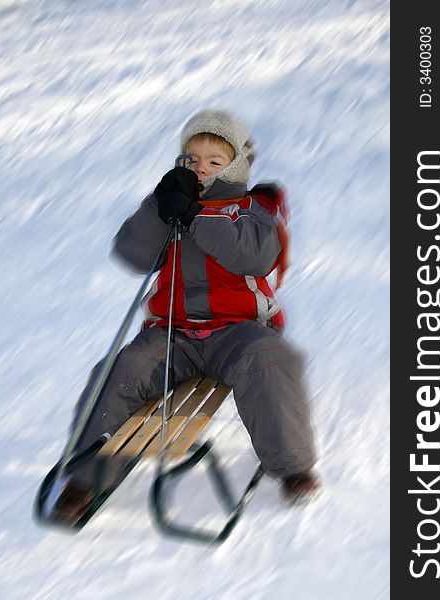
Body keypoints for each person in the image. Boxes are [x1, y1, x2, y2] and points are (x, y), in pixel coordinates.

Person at [53, 109, 319, 520]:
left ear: (237, 165)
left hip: (238, 330)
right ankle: (86, 478)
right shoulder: (169, 205)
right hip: (172, 334)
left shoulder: (251, 210)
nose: (202, 169)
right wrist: (159, 204)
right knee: (119, 371)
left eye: (216, 161)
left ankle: (293, 468)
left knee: (269, 362)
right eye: (192, 159)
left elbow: (250, 255)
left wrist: (196, 216)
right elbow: (132, 253)